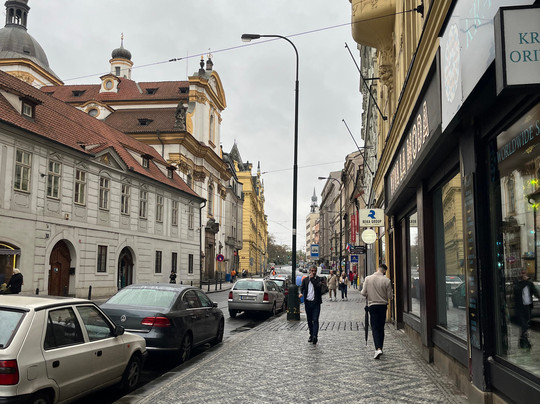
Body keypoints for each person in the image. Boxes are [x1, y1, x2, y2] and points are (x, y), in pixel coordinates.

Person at [361, 264, 393, 359]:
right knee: (381, 327)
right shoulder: (386, 280)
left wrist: (369, 293)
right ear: (384, 271)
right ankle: (380, 348)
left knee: (374, 327)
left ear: (377, 269)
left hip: (372, 306)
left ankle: (378, 348)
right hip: (382, 306)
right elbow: (390, 296)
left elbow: (363, 293)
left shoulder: (368, 279)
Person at [513, 270, 540, 349]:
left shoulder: (529, 283)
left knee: (526, 323)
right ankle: (524, 341)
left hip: (527, 306)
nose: (524, 275)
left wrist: (538, 297)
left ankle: (523, 340)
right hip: (520, 307)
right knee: (524, 324)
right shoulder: (518, 283)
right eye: (522, 274)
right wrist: (526, 281)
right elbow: (517, 290)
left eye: (525, 274)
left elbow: (534, 291)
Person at [299, 265, 323, 345]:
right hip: (308, 302)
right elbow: (301, 287)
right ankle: (311, 334)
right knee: (309, 320)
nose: (313, 272)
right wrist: (300, 293)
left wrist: (312, 279)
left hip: (316, 303)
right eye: (312, 271)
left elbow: (319, 287)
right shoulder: (305, 280)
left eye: (315, 271)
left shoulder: (318, 279)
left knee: (315, 319)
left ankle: (315, 336)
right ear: (309, 271)